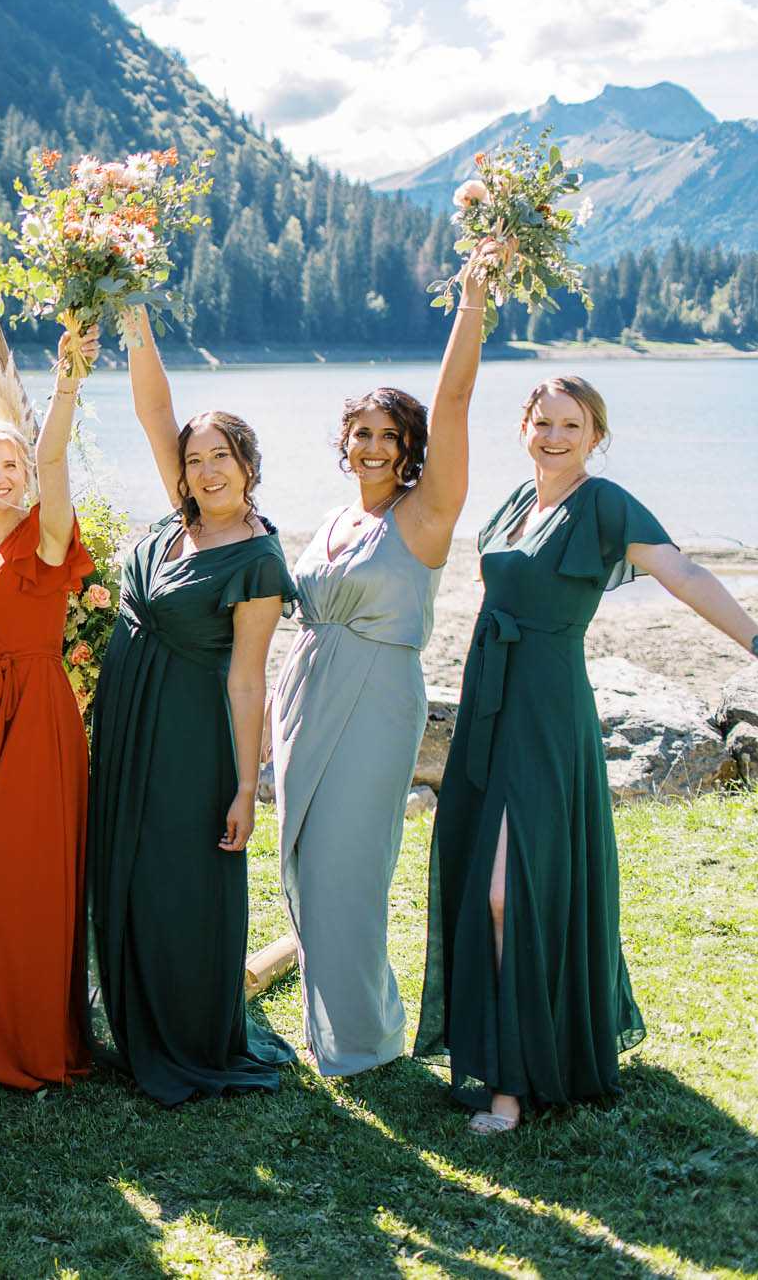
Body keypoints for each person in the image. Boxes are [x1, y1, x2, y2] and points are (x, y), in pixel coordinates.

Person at [417, 374, 758, 1133]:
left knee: (510, 890)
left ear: (596, 435)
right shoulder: (511, 503)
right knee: (481, 876)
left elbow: (683, 574)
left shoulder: (605, 504)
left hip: (548, 706)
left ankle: (513, 1083)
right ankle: (505, 1054)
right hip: (489, 697)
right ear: (523, 427)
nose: (555, 435)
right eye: (543, 421)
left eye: (572, 424)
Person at [270, 243, 496, 1077]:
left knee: (348, 871)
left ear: (411, 448)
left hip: (375, 700)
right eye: (359, 434)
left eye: (388, 437)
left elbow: (459, 401)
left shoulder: (424, 515)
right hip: (306, 694)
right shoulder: (333, 518)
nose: (370, 447)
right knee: (297, 857)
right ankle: (334, 1023)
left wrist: (470, 301)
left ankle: (362, 1043)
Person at [84, 306, 296, 1105]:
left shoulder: (258, 558)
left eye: (223, 458)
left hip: (188, 739)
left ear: (248, 467)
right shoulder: (177, 523)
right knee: (127, 871)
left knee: (177, 882)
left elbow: (248, 679)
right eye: (196, 458)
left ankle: (184, 1034)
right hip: (130, 723)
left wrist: (246, 786)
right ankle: (131, 1022)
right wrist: (132, 313)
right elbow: (153, 411)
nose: (207, 471)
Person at [0, 323, 99, 1090]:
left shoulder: (47, 538)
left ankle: (32, 1041)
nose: (1, 474)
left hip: (36, 718)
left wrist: (66, 383)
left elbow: (52, 458)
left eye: (10, 463)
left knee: (24, 877)